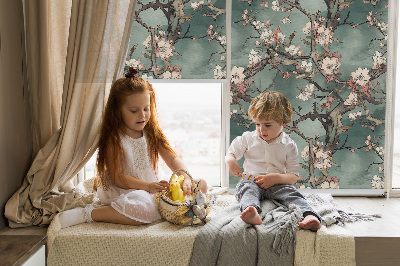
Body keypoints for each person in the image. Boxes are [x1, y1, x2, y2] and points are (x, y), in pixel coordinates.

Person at [59, 67, 207, 228]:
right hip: (126, 189)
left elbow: (172, 159)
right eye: (134, 111)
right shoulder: (114, 138)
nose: (142, 115)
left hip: (152, 184)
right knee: (146, 210)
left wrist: (185, 176)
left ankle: (178, 207)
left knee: (201, 184)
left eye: (146, 108)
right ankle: (88, 214)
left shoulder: (151, 132)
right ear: (118, 111)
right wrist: (148, 186)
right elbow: (118, 178)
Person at [225, 91, 321, 231]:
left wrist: (275, 178)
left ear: (283, 122)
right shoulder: (248, 139)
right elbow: (230, 153)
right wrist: (231, 161)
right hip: (252, 180)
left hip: (278, 183)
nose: (261, 129)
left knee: (292, 195)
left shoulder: (289, 145)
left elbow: (293, 177)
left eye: (267, 125)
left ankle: (309, 216)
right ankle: (252, 211)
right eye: (257, 124)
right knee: (247, 190)